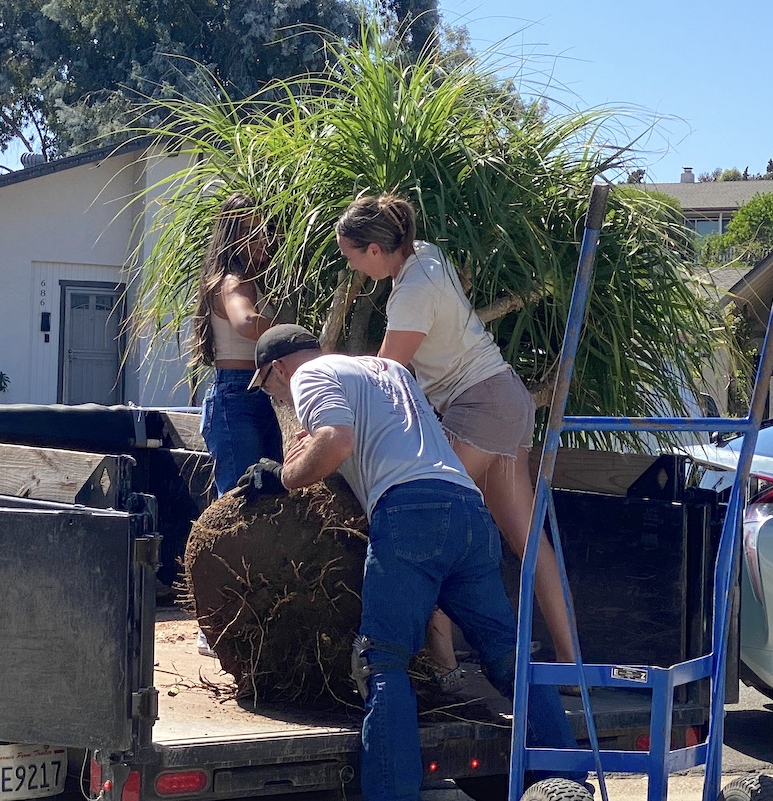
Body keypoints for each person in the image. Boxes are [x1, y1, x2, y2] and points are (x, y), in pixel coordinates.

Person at [237, 324, 583, 801]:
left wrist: (283, 477)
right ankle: (564, 782)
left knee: (382, 661)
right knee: (508, 654)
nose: (282, 396)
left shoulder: (310, 375)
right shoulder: (385, 370)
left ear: (277, 368)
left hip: (408, 515)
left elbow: (336, 441)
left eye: (271, 387)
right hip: (465, 508)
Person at [334, 192, 577, 675]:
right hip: (506, 400)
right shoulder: (425, 255)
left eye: (353, 257)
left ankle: (443, 666)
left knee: (430, 514)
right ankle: (570, 666)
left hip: (481, 407)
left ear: (376, 251)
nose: (354, 268)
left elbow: (385, 375)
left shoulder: (410, 293)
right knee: (527, 540)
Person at [193, 192, 282, 497]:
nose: (261, 240)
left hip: (262, 393)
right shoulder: (233, 281)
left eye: (264, 231)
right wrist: (295, 338)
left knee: (270, 495)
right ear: (232, 237)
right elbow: (245, 322)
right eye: (249, 231)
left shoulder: (258, 280)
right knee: (242, 500)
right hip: (238, 397)